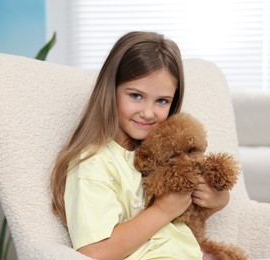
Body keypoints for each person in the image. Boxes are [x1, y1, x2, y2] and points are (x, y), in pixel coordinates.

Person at [51, 31, 230, 260]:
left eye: (162, 101)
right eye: (136, 96)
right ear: (110, 90)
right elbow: (93, 253)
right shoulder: (92, 164)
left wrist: (216, 201)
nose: (148, 113)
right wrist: (162, 210)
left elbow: (176, 227)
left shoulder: (163, 153)